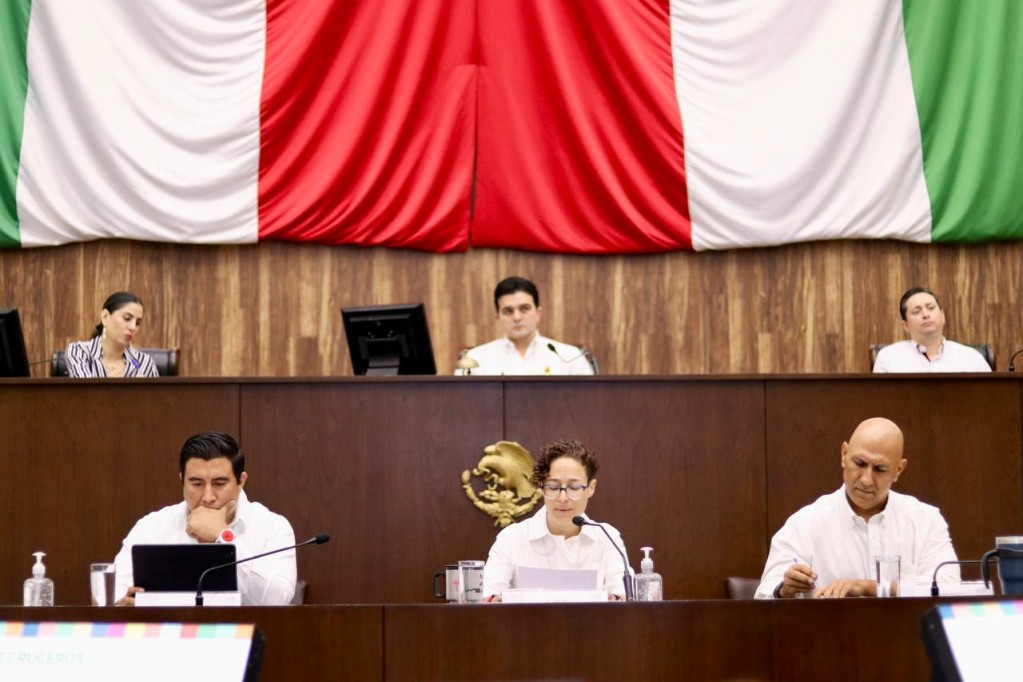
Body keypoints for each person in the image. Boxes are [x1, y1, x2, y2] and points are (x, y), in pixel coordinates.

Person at [756, 417, 958, 599]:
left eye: (880, 469)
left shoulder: (925, 520)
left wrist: (866, 588)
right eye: (860, 463)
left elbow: (950, 587)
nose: (867, 480)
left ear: (898, 469)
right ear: (844, 454)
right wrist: (784, 590)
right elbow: (764, 597)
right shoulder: (805, 523)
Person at [114, 431, 296, 606]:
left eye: (219, 483)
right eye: (197, 483)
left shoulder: (273, 527)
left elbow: (278, 600)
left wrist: (222, 537)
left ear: (241, 481)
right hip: (167, 634)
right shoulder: (152, 526)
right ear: (182, 480)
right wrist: (122, 604)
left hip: (244, 635)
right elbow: (112, 594)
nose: (208, 497)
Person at [482, 439, 630, 601]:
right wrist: (496, 600)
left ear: (591, 488)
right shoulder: (511, 538)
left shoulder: (607, 536)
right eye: (553, 487)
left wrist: (614, 599)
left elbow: (623, 597)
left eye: (574, 487)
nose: (563, 498)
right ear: (541, 487)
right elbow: (488, 598)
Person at [456, 276, 594, 376]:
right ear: (497, 317)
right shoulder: (475, 359)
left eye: (524, 308)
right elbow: (459, 408)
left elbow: (589, 405)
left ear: (538, 313)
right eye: (508, 311)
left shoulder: (569, 357)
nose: (517, 317)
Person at [873, 287, 991, 373]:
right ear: (906, 326)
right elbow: (880, 404)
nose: (925, 314)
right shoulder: (888, 357)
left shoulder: (971, 358)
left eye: (930, 308)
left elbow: (991, 400)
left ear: (943, 316)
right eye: (916, 311)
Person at [65, 291, 159, 377]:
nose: (133, 327)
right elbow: (86, 392)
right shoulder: (80, 352)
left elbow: (156, 395)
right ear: (105, 317)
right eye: (127, 318)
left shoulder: (143, 363)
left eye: (138, 323)